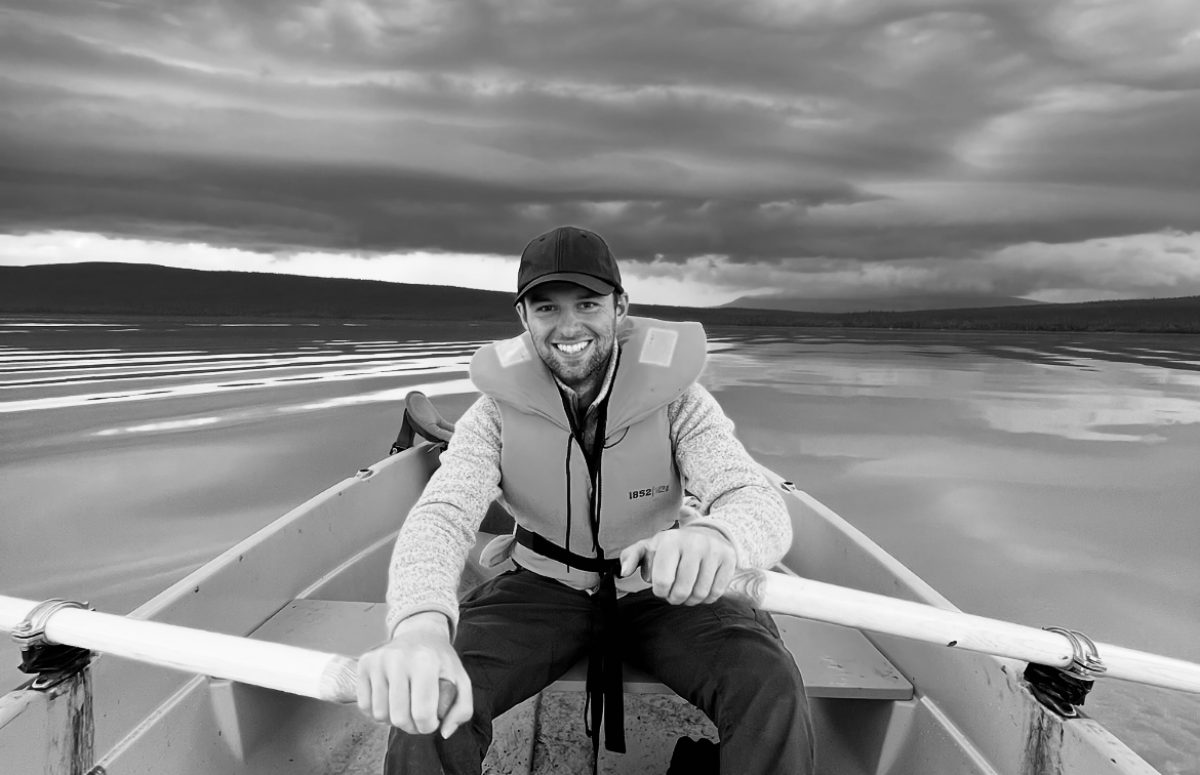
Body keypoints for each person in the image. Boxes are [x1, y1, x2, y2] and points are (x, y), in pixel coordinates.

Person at [356, 225, 815, 774]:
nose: (568, 326)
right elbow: (444, 515)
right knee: (431, 701)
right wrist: (421, 628)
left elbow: (751, 497)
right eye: (547, 307)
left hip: (660, 591)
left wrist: (718, 537)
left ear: (620, 308)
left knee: (769, 684)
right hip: (541, 589)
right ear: (523, 318)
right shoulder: (493, 414)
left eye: (589, 303)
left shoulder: (680, 402)